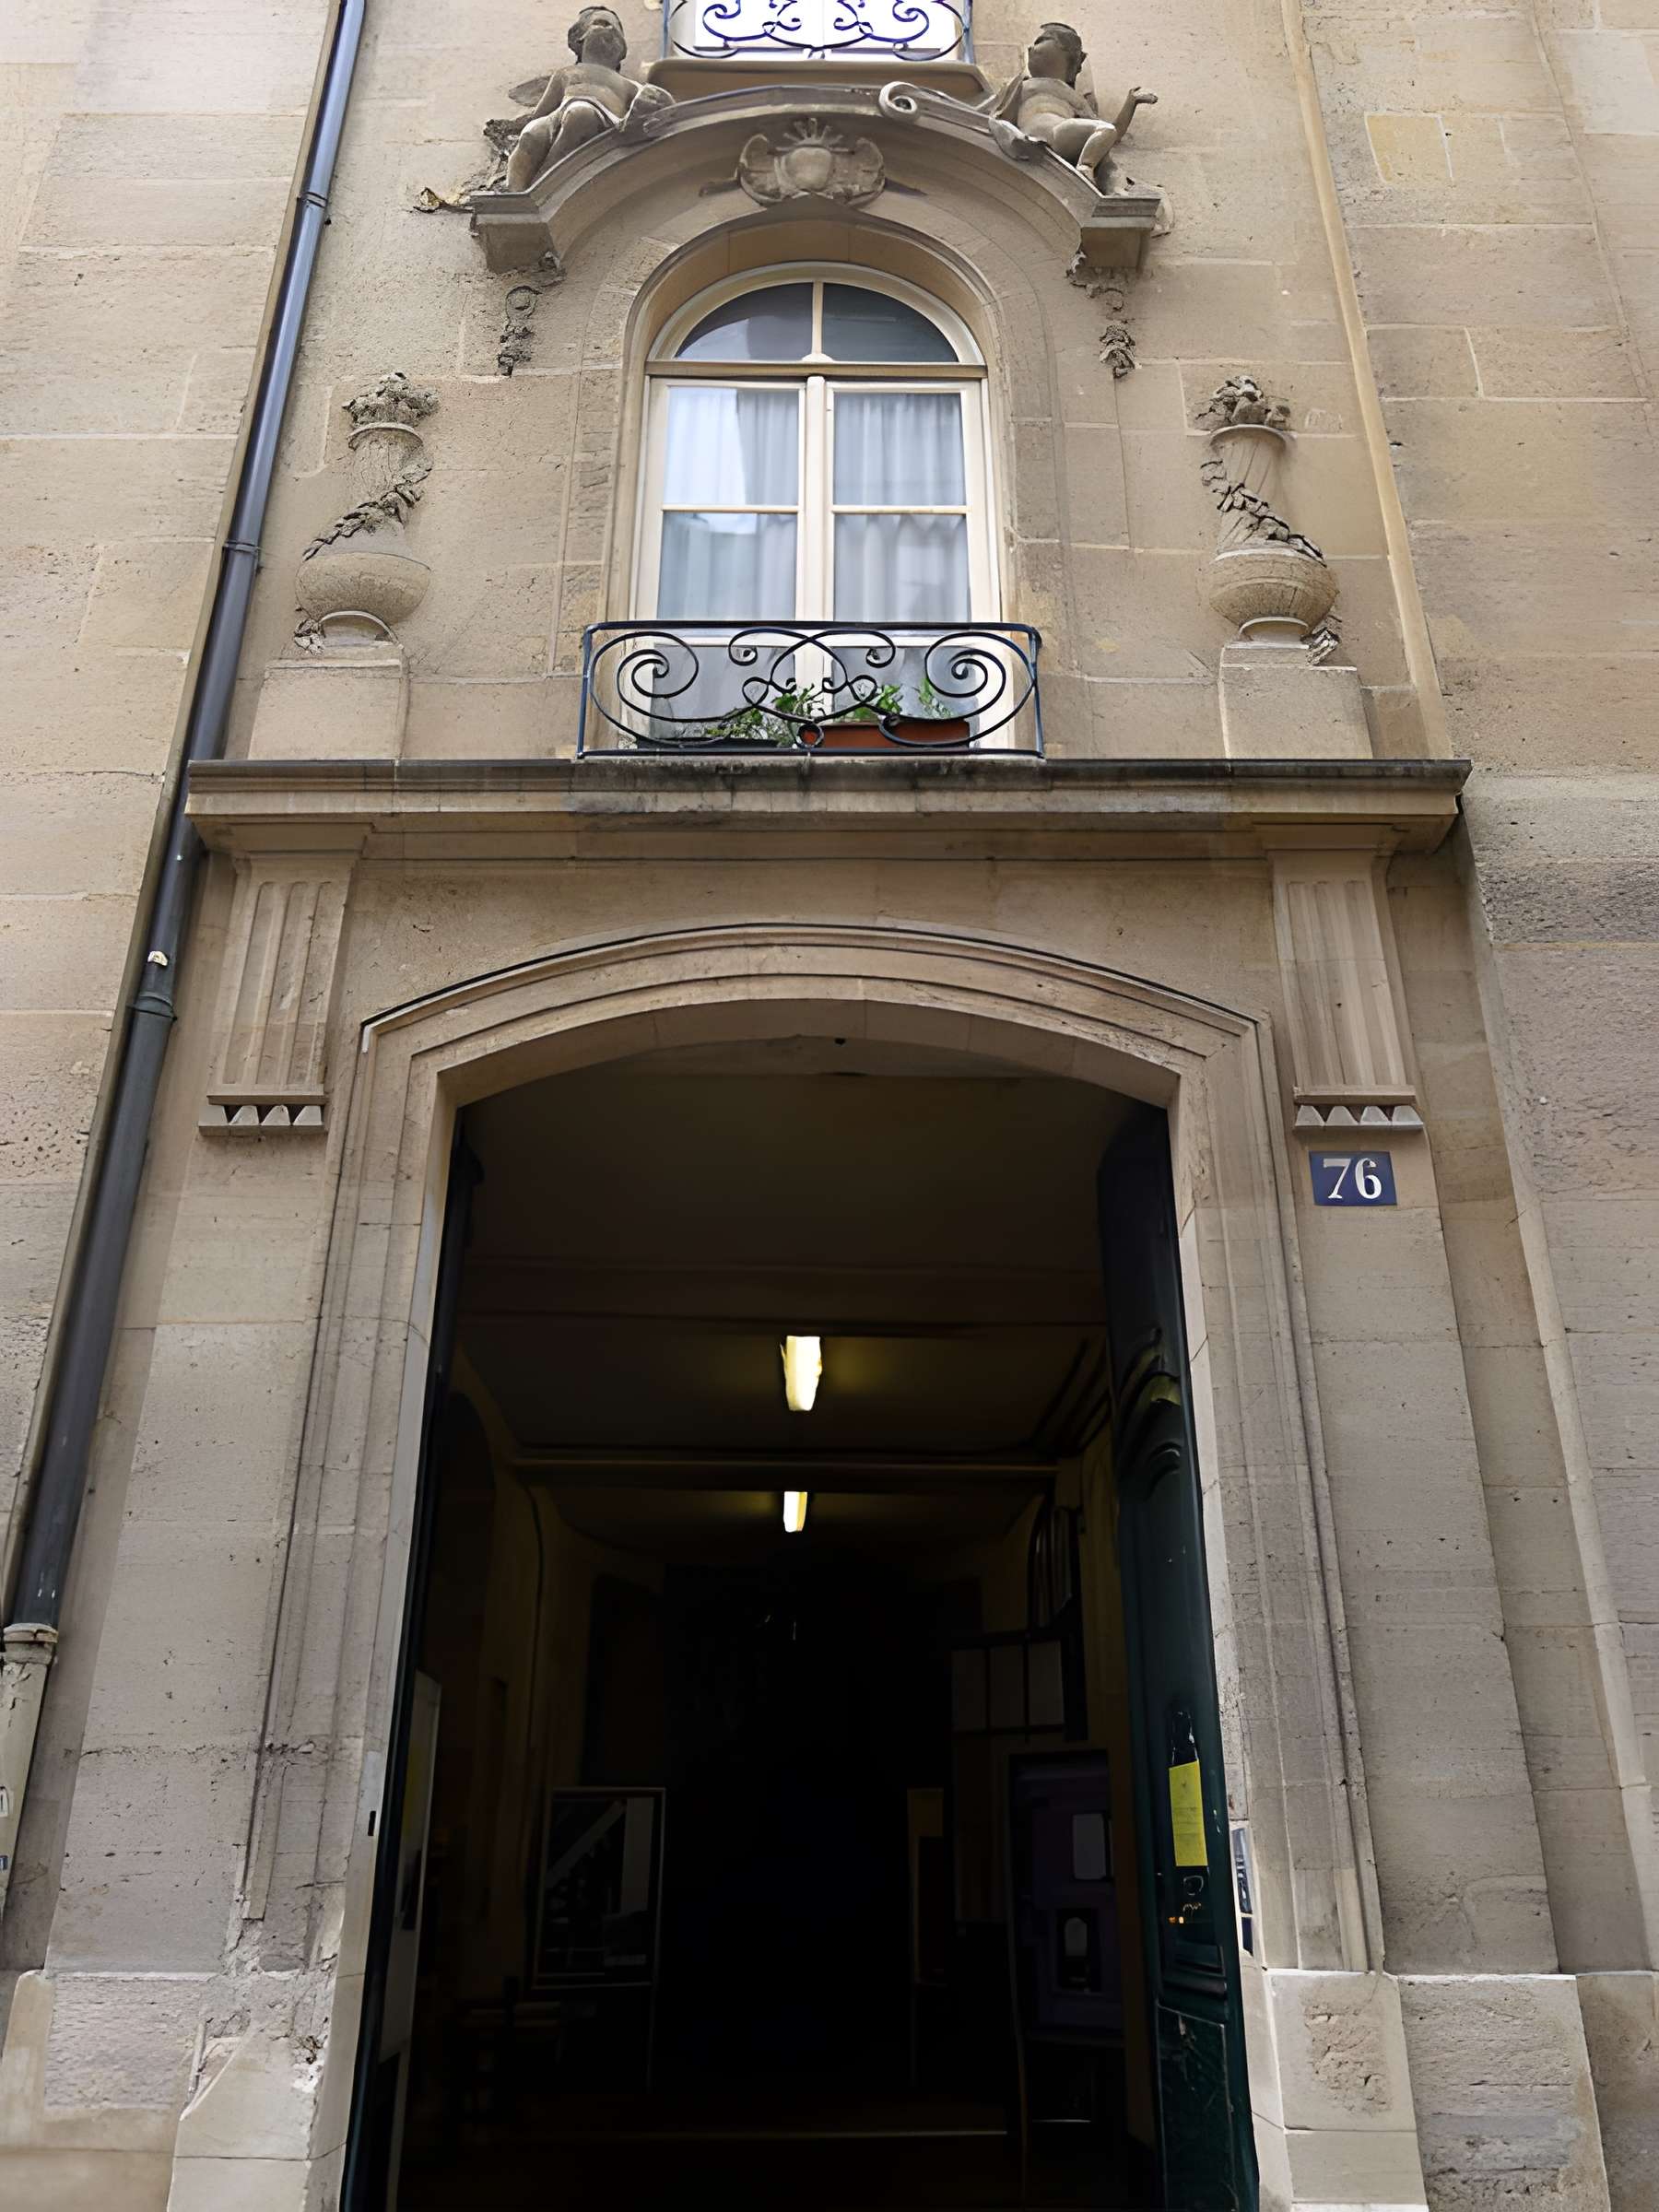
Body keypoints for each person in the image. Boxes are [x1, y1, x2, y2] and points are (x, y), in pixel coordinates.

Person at [505, 6, 672, 192]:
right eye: (601, 23)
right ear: (579, 39)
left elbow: (645, 103)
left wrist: (652, 101)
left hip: (607, 120)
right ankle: (516, 191)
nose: (610, 30)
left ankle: (548, 181)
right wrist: (531, 124)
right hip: (562, 116)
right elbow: (543, 110)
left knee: (581, 113)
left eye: (615, 30)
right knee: (532, 132)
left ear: (621, 51)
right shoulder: (566, 74)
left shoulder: (627, 84)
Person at [982, 21, 1155, 193]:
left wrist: (1130, 102)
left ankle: (1085, 168)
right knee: (1105, 131)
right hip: (1032, 134)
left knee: (1106, 130)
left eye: (1040, 44)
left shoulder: (1070, 95)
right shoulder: (1023, 85)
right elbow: (993, 113)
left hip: (1062, 133)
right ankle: (1085, 167)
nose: (1031, 50)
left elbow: (1113, 133)